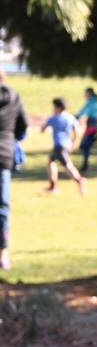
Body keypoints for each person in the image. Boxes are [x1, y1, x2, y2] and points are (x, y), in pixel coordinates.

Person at [0, 69, 28, 270]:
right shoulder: (14, 96)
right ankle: (3, 253)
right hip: (4, 153)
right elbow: (23, 125)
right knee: (3, 206)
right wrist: (12, 137)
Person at [43, 98, 86, 195]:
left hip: (59, 145)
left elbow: (43, 128)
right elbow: (77, 132)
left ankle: (80, 180)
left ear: (57, 107)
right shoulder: (71, 117)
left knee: (68, 166)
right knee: (51, 162)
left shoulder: (54, 117)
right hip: (67, 145)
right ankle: (53, 186)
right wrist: (74, 143)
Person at [75, 86, 97, 174]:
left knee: (85, 145)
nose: (85, 95)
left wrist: (77, 116)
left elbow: (85, 109)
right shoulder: (95, 100)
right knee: (86, 145)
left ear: (89, 93)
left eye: (86, 93)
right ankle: (85, 164)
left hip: (92, 124)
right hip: (92, 124)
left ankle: (85, 165)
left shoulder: (92, 101)